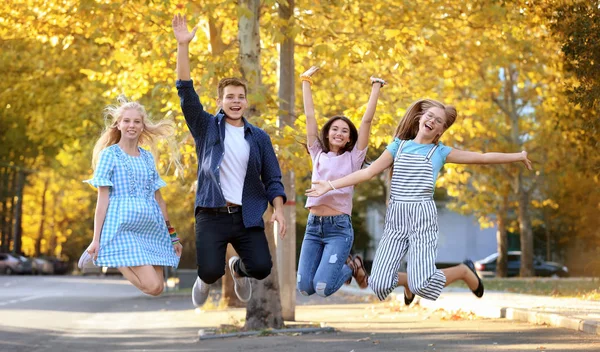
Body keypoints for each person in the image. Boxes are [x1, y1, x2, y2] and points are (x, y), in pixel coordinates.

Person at [306, 99, 533, 304]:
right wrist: (330, 184)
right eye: (430, 116)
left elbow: (482, 158)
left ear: (441, 130)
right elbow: (367, 173)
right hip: (396, 218)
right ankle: (407, 283)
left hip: (422, 217)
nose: (432, 121)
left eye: (439, 121)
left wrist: (518, 156)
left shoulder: (440, 152)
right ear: (420, 118)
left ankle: (464, 271)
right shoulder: (398, 146)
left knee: (422, 284)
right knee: (379, 284)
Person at [172, 14, 287, 307]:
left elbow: (273, 178)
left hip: (246, 215)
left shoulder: (259, 137)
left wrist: (279, 211)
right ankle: (205, 278)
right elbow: (185, 92)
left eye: (240, 96)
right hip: (210, 213)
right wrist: (183, 46)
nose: (235, 101)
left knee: (261, 268)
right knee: (210, 271)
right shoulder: (206, 126)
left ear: (246, 101)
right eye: (229, 96)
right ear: (220, 101)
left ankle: (238, 269)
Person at [78, 97, 183, 296]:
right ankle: (114, 257)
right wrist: (96, 239)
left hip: (152, 228)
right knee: (151, 286)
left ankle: (115, 257)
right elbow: (102, 200)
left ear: (143, 126)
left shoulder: (147, 157)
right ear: (118, 124)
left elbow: (159, 200)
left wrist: (173, 237)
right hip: (123, 228)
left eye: (136, 121)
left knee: (158, 288)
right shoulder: (109, 155)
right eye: (126, 121)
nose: (131, 125)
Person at [296, 66, 385, 298]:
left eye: (344, 131)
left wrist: (376, 87)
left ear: (349, 139)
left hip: (338, 229)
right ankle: (351, 265)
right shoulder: (316, 152)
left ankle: (352, 266)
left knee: (322, 288)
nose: (339, 133)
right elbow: (309, 116)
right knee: (305, 287)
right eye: (334, 129)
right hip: (314, 226)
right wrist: (306, 81)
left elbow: (366, 122)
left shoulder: (353, 158)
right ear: (327, 134)